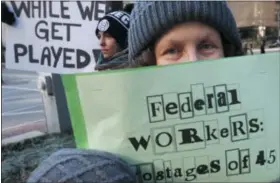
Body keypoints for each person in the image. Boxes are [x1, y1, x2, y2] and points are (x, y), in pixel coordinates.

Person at [28, 2, 249, 183]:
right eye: (172, 50)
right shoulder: (113, 129)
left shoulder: (261, 122)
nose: (192, 62)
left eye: (206, 46)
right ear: (148, 61)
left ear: (227, 53)